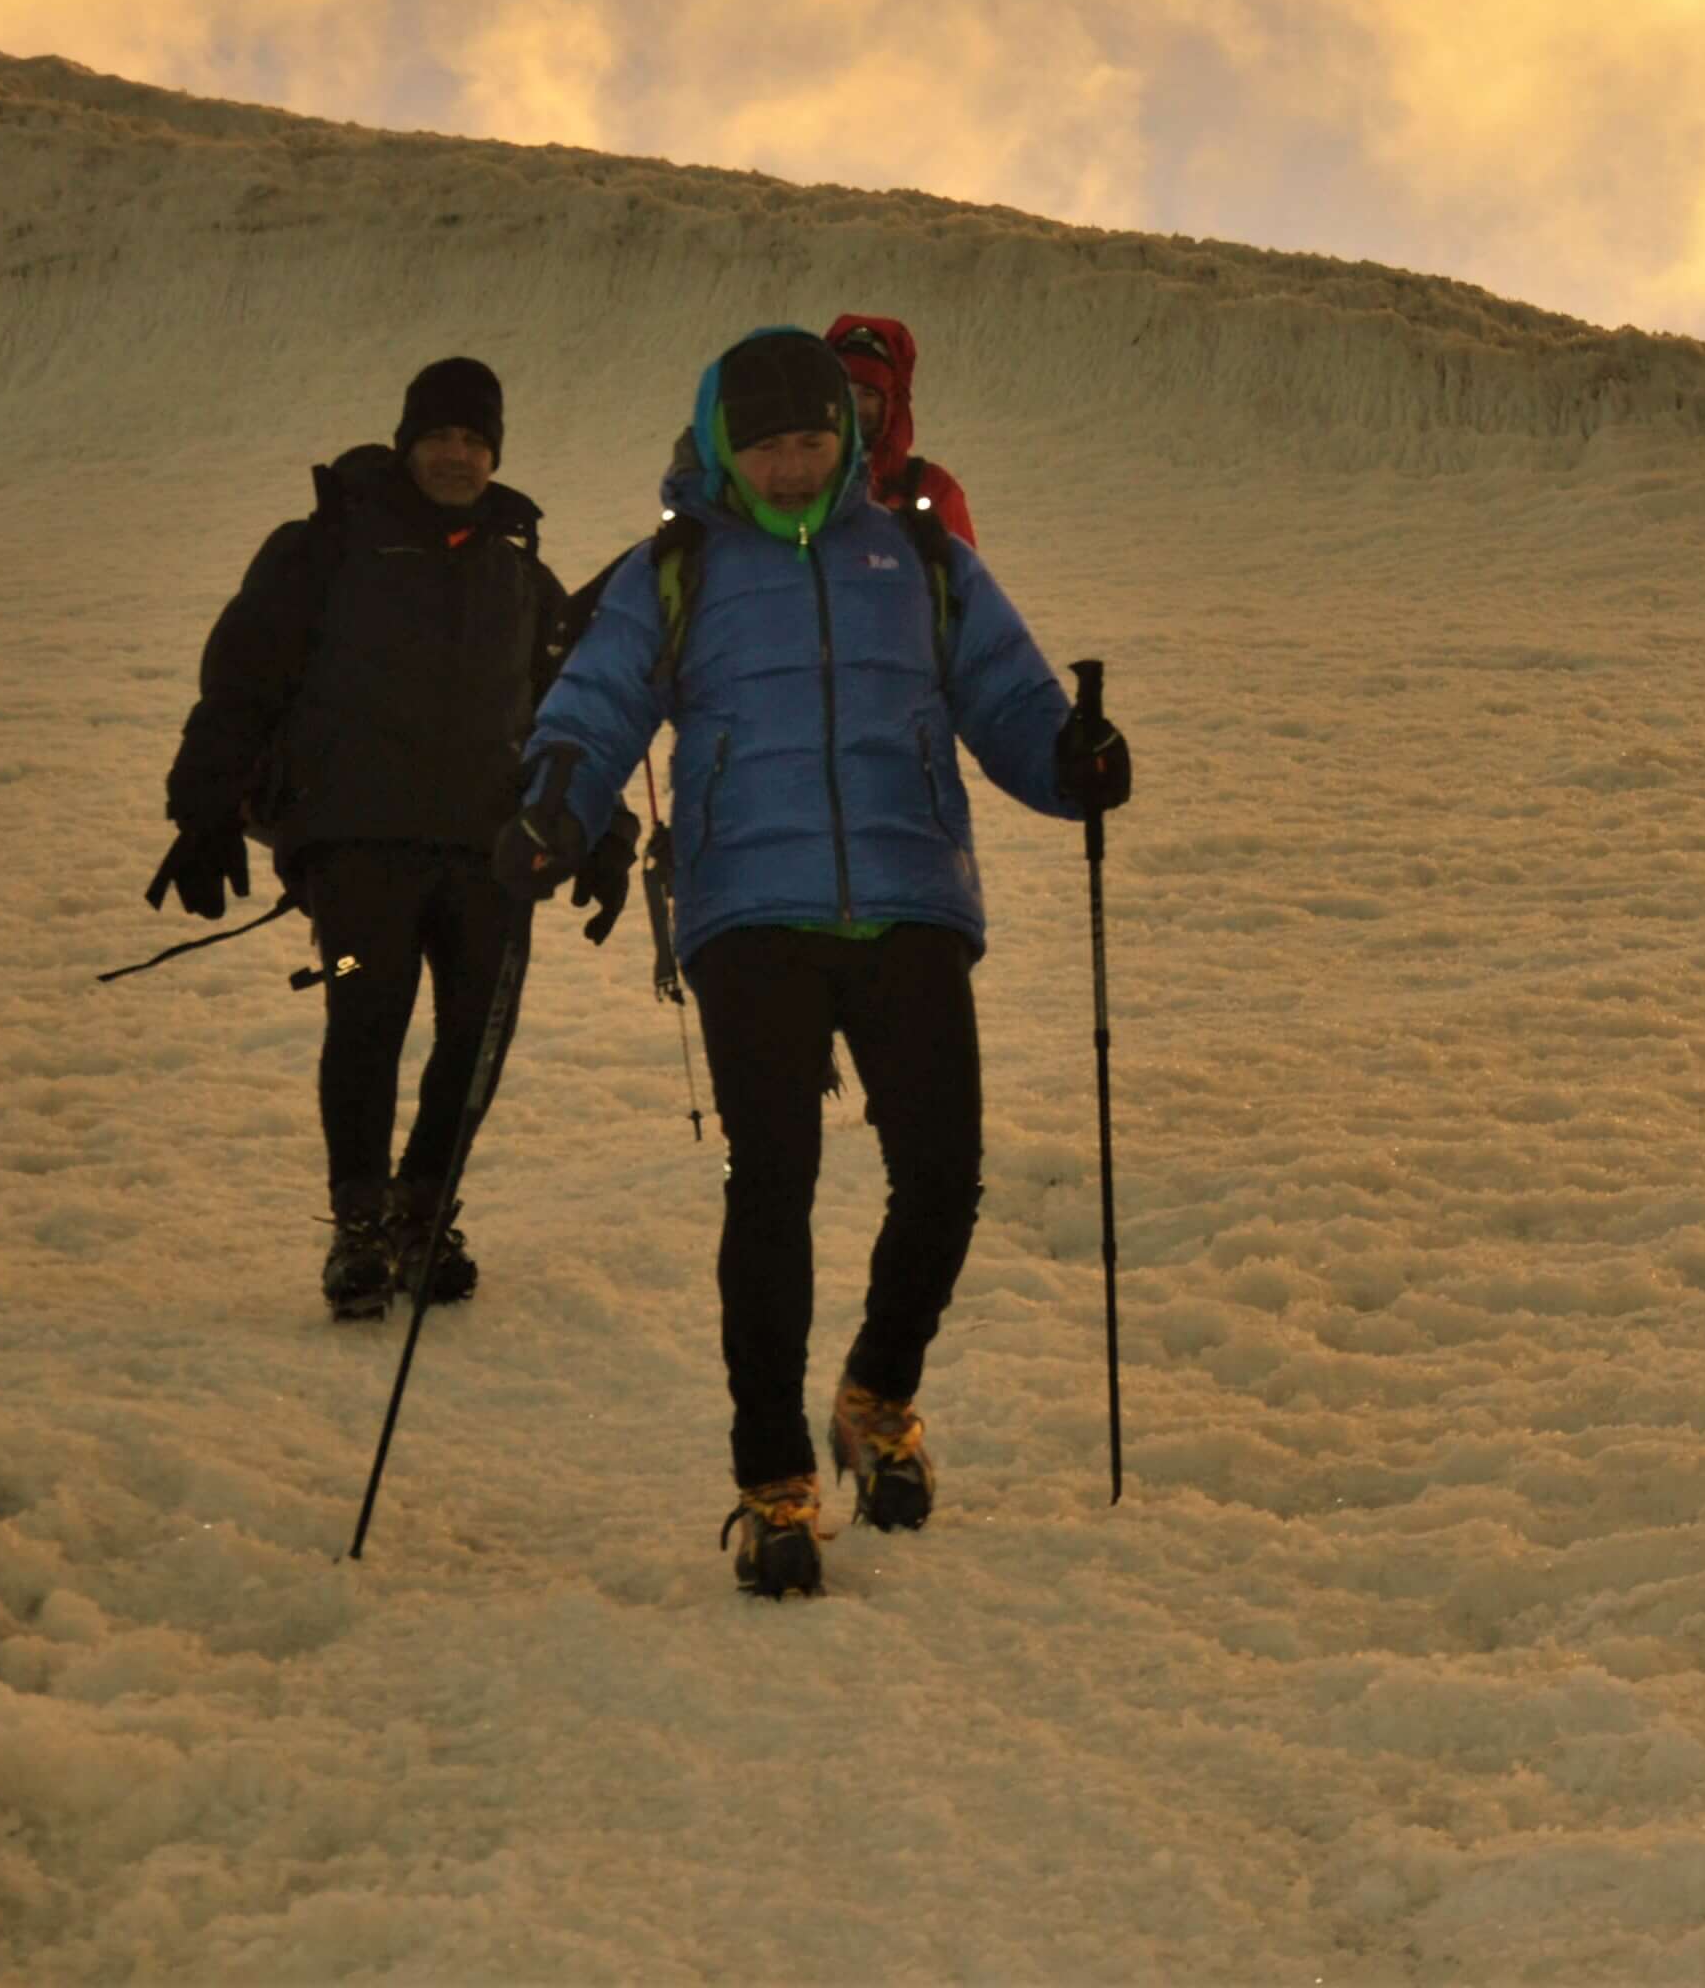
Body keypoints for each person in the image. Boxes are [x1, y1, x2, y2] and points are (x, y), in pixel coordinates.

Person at [503, 326, 1125, 1599]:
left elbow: (1007, 698)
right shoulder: (678, 567)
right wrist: (556, 802)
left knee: (943, 1176)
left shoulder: (921, 558)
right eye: (769, 443)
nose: (794, 466)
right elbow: (601, 697)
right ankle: (772, 1477)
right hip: (749, 912)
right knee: (773, 1186)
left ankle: (878, 1397)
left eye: (815, 439)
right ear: (725, 442)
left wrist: (1071, 762)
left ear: (850, 438)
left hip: (909, 899)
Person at [155, 357, 625, 1317]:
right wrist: (201, 811)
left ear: (495, 452)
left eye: (474, 440)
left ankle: (424, 1208)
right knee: (366, 1022)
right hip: (358, 840)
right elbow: (241, 680)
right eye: (439, 438)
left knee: (476, 1037)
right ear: (408, 442)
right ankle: (359, 1228)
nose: (456, 455)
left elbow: (571, 718)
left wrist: (604, 828)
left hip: (493, 848)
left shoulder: (523, 573)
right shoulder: (325, 549)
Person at [827, 311, 976, 545]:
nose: (854, 406)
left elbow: (963, 578)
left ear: (890, 405)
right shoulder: (801, 484)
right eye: (846, 391)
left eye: (868, 394)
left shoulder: (934, 490)